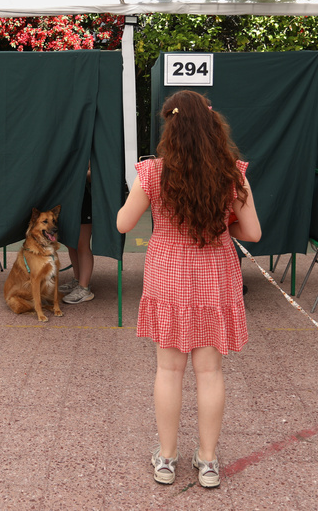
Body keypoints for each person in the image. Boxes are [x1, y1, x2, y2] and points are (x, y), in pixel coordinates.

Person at [117, 90, 261, 488]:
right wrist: (223, 224)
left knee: (168, 369)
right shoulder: (232, 172)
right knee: (210, 372)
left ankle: (166, 459)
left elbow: (122, 224)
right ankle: (209, 462)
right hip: (215, 272)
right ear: (213, 124)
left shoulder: (151, 173)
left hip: (167, 273)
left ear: (170, 126)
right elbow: (253, 232)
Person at [61, 163, 94, 304]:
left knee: (82, 245)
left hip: (83, 200)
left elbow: (93, 175)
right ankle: (77, 279)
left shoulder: (86, 147)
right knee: (71, 244)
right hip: (68, 200)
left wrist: (79, 174)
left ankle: (84, 288)